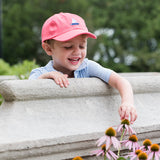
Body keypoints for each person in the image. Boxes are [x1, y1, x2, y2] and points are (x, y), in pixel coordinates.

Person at [29, 12, 137, 124]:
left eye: (82, 46)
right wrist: (47, 76)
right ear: (48, 49)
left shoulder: (87, 67)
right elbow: (27, 91)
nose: (77, 52)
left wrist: (127, 102)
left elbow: (120, 81)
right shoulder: (40, 73)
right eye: (68, 47)